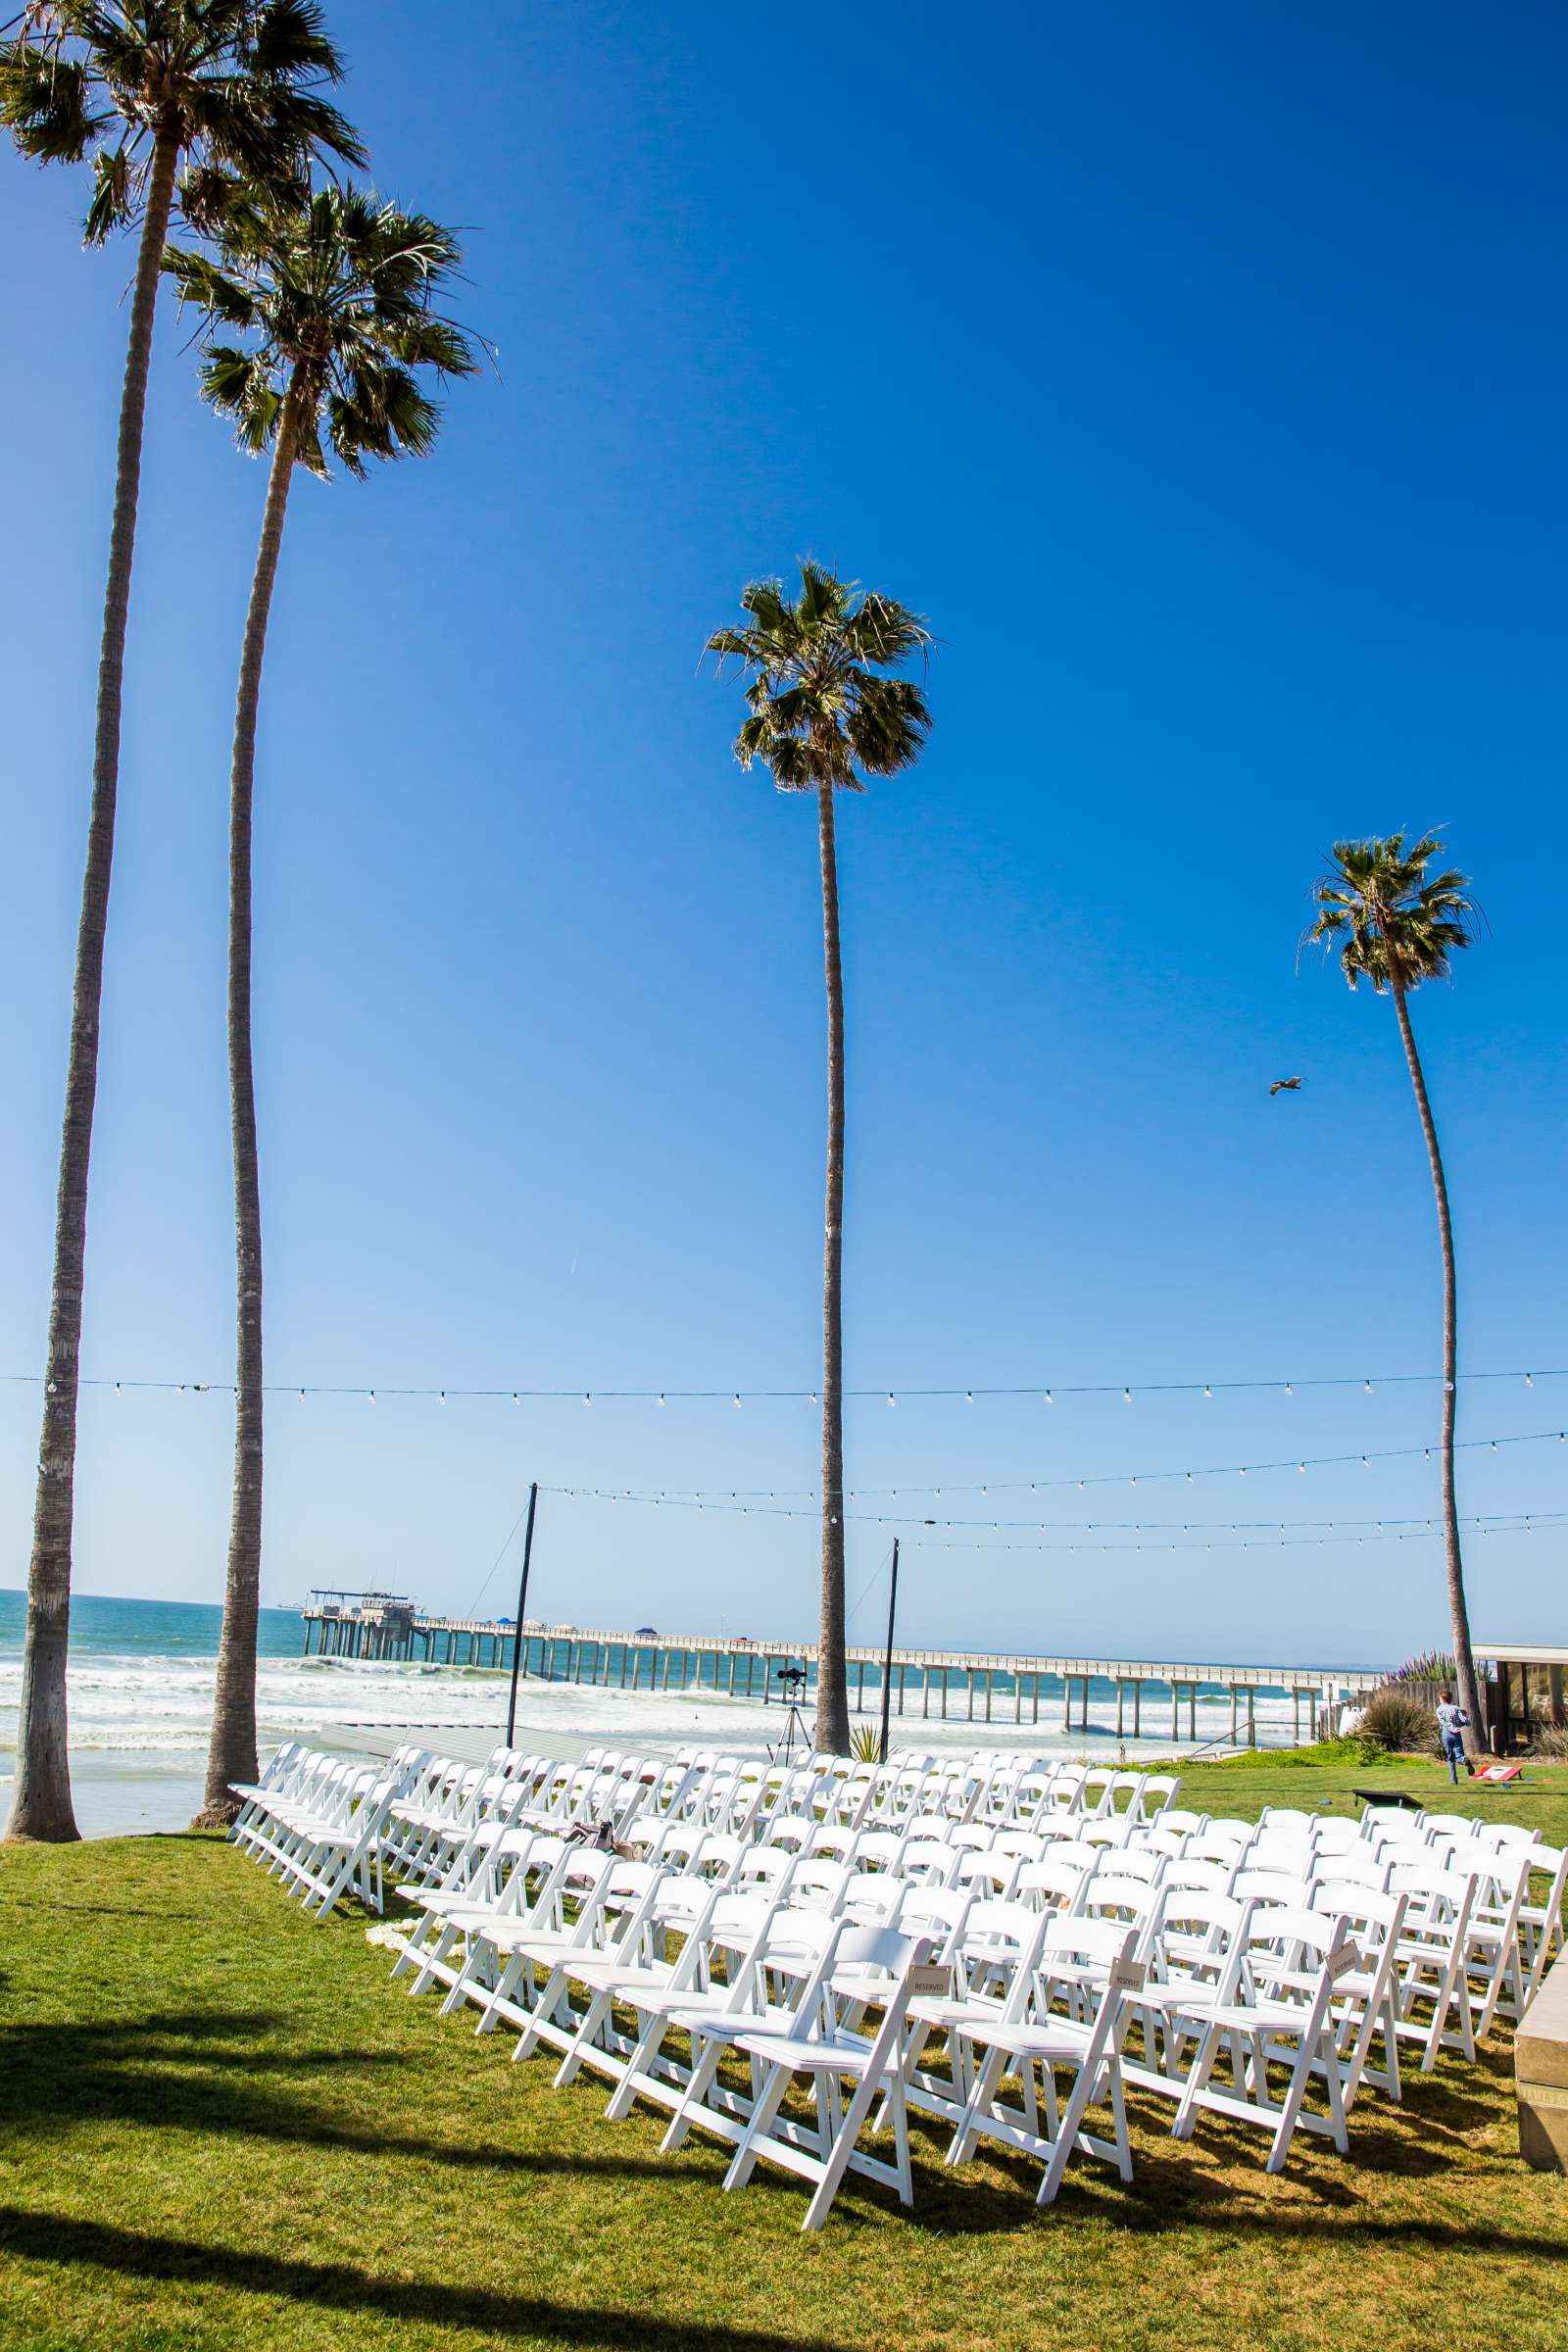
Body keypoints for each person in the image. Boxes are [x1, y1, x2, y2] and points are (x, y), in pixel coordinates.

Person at [1436, 1690, 1473, 1784]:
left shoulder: (1439, 1709)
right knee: (1459, 1755)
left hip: (1446, 1733)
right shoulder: (1456, 1708)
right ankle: (1464, 1760)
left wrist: (1452, 1728)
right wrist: (1465, 1716)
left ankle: (1453, 1779)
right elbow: (1466, 1721)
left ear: (1441, 1699)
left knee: (1450, 1757)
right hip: (1457, 1734)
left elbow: (1443, 1722)